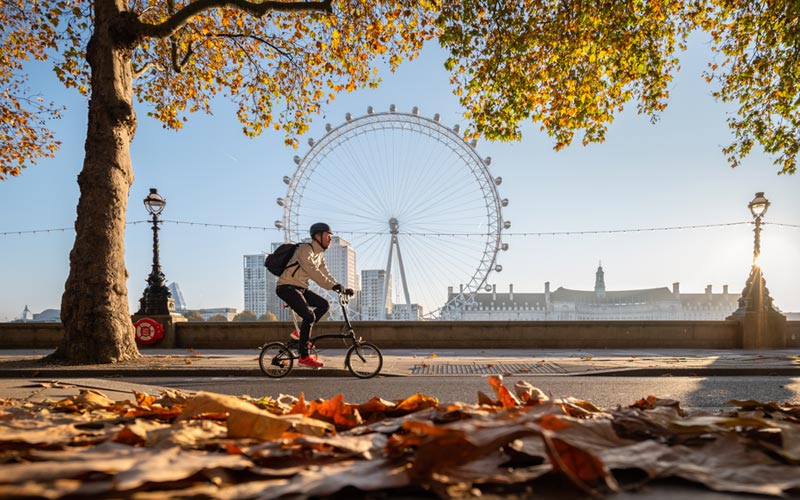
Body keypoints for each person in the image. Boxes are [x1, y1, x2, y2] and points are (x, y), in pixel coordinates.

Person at [275, 222, 354, 367]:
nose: (330, 238)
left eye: (331, 236)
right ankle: (304, 356)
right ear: (318, 236)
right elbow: (315, 273)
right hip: (286, 287)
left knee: (324, 304)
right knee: (309, 316)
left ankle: (300, 334)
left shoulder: (320, 255)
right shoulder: (305, 250)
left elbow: (326, 274)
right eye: (328, 235)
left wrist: (341, 288)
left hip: (300, 288)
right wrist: (332, 286)